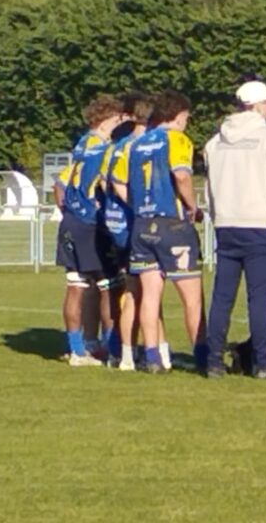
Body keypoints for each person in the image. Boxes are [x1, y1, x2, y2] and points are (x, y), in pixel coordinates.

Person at [111, 90, 207, 374]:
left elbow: (119, 181)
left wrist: (137, 204)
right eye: (186, 117)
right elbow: (182, 175)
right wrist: (193, 207)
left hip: (142, 225)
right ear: (178, 116)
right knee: (192, 298)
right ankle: (203, 357)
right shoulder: (176, 139)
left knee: (150, 295)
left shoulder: (136, 144)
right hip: (172, 224)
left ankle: (152, 356)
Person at [203, 80, 266, 379]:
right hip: (259, 225)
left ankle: (214, 361)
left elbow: (210, 190)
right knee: (259, 300)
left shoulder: (215, 143)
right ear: (260, 105)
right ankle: (262, 363)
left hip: (226, 225)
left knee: (222, 298)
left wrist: (218, 217)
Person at [54, 95, 124, 367]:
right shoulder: (105, 149)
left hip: (71, 223)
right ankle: (110, 349)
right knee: (109, 287)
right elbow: (108, 182)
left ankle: (77, 350)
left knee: (76, 286)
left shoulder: (82, 145)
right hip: (91, 225)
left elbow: (59, 185)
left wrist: (70, 212)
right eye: (118, 120)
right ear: (108, 120)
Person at [102, 92, 155, 370]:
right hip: (134, 226)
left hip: (114, 224)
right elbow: (119, 181)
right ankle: (140, 353)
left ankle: (122, 352)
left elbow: (104, 180)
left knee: (124, 291)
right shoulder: (143, 144)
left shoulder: (116, 145)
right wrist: (138, 206)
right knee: (141, 293)